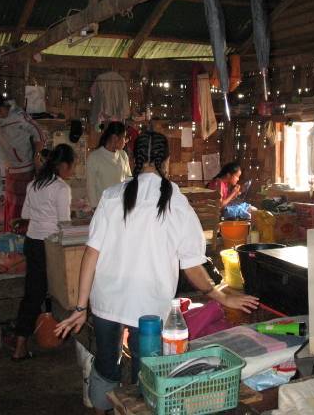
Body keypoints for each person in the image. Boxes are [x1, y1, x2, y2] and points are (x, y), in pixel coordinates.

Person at [55, 132, 259, 412]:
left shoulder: (112, 195)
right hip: (149, 308)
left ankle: (102, 408)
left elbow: (91, 253)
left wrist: (81, 307)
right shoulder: (177, 202)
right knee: (147, 373)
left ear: (133, 159)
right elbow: (191, 265)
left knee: (106, 366)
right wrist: (220, 295)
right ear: (167, 161)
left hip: (107, 300)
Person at [12, 144, 75, 360]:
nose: (72, 170)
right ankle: (61, 335)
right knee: (62, 292)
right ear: (64, 165)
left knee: (33, 294)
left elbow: (26, 214)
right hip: (51, 246)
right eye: (72, 166)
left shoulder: (34, 184)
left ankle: (20, 345)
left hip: (32, 242)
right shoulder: (61, 188)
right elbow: (64, 224)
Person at [0, 91, 46, 231]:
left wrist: (37, 155)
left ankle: (20, 236)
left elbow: (38, 132)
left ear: (1, 107)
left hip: (24, 167)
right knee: (11, 204)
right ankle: (10, 233)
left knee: (21, 205)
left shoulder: (19, 116)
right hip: (10, 167)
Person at [85, 121, 131, 208]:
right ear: (115, 138)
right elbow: (90, 186)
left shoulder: (123, 155)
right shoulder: (94, 157)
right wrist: (95, 207)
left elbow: (129, 179)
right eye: (124, 137)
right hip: (103, 207)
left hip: (121, 206)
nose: (125, 141)